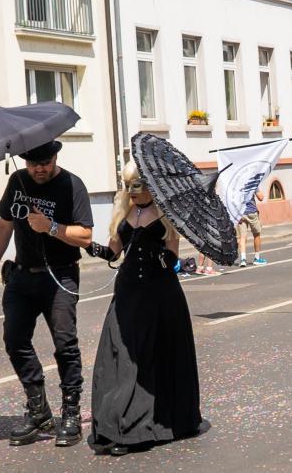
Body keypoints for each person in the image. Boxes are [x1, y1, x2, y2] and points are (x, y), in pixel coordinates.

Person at [0, 139, 94, 447]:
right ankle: (38, 409)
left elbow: (85, 236)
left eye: (44, 163)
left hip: (60, 275)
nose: (38, 169)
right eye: (32, 164)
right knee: (14, 340)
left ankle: (70, 412)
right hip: (21, 276)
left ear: (55, 158)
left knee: (65, 344)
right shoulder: (17, 181)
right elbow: (4, 226)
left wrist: (51, 227)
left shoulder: (72, 185)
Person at [87, 161, 204, 455]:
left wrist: (163, 255)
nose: (132, 190)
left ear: (151, 184)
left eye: (137, 184)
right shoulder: (123, 212)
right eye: (128, 185)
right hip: (128, 294)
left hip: (160, 296)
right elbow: (112, 253)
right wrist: (86, 245)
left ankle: (139, 430)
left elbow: (172, 258)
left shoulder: (167, 216)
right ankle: (118, 427)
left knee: (151, 358)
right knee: (123, 358)